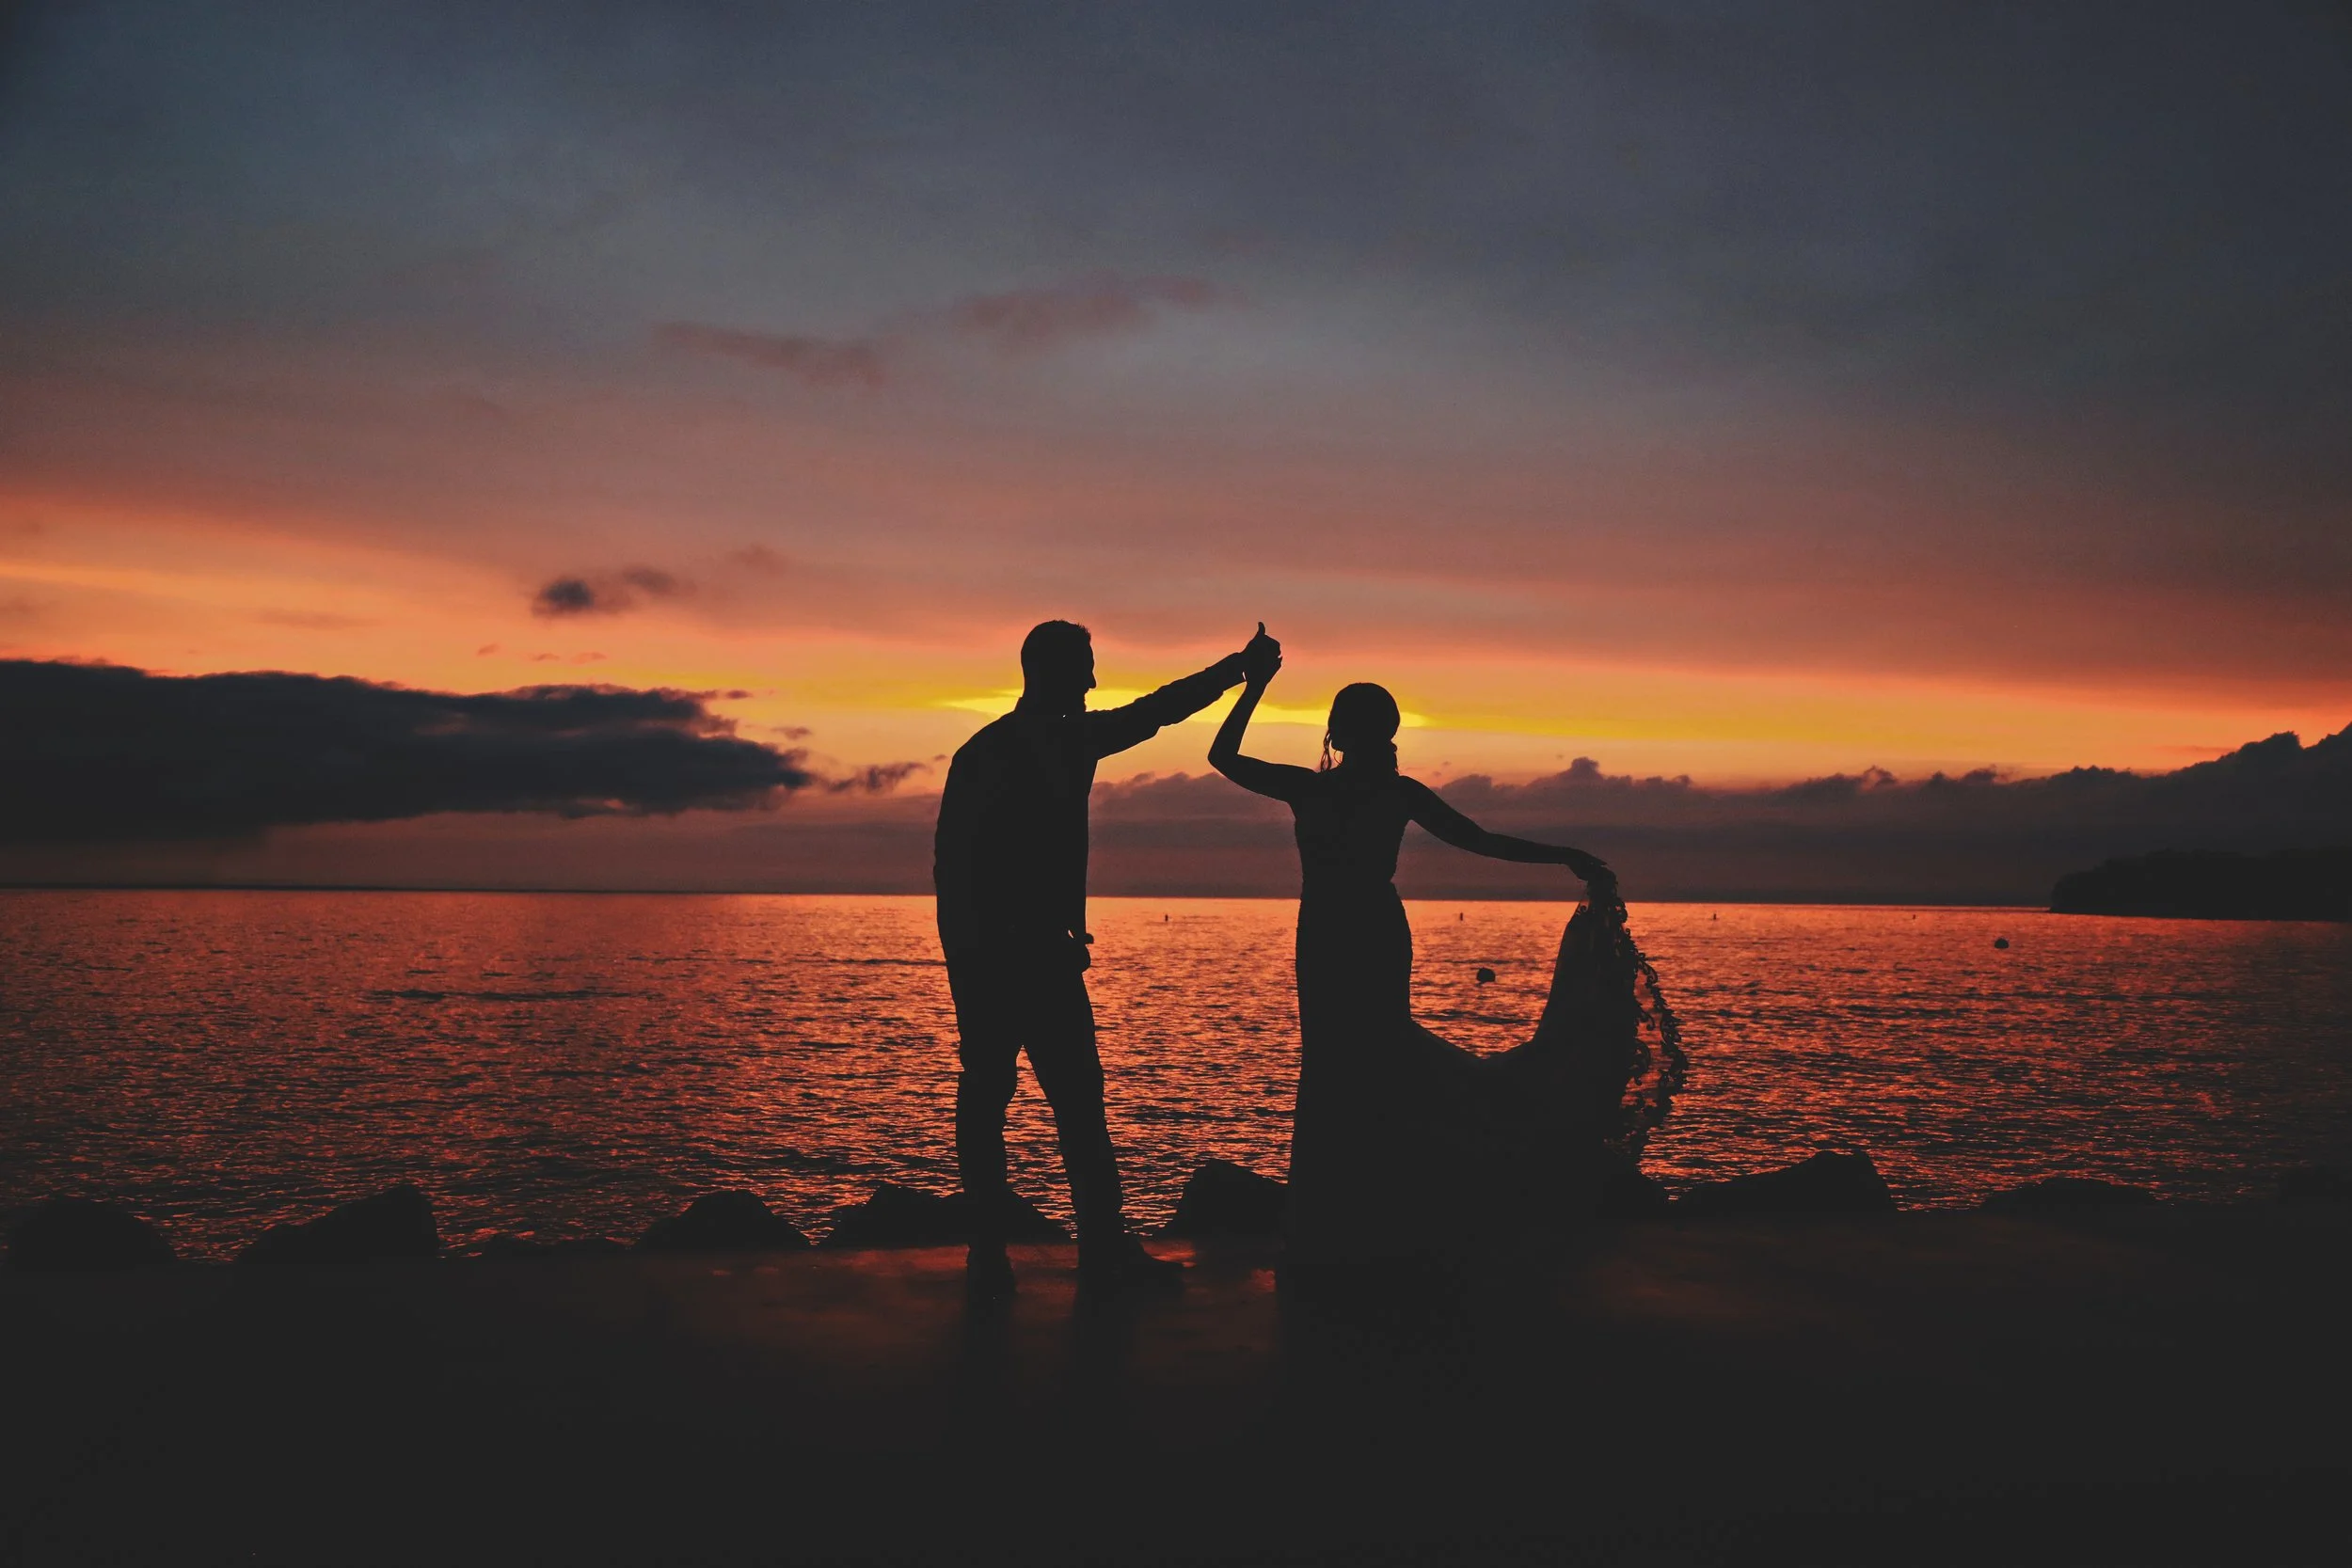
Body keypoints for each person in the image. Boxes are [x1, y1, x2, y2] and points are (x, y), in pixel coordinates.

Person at [1210, 648, 1685, 1268]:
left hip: (1343, 935)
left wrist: (1256, 687)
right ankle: (1357, 1217)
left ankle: (1349, 1220)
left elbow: (1478, 840)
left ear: (1338, 729)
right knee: (1352, 1064)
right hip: (1350, 934)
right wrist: (1564, 852)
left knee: (1352, 1065)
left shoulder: (1333, 789)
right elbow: (1482, 841)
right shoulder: (1380, 790)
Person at [936, 617, 1280, 1291]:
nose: (1094, 681)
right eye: (1086, 667)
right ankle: (1098, 1247)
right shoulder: (1064, 740)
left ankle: (990, 1250)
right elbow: (1155, 712)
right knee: (1075, 1103)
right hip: (1031, 956)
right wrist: (1237, 669)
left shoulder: (981, 749)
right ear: (1058, 673)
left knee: (989, 1096)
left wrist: (966, 964)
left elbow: (947, 871)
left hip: (988, 959)